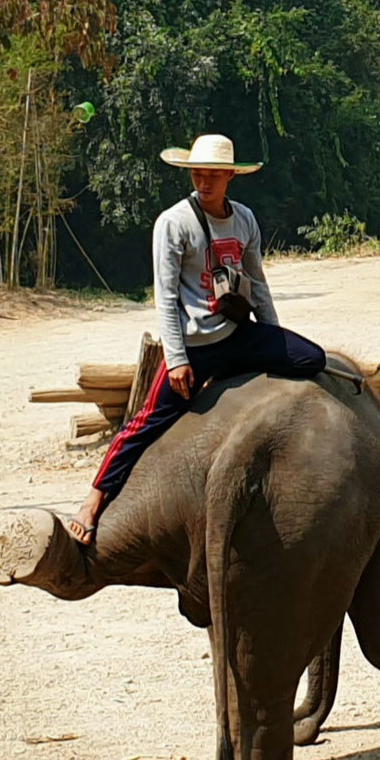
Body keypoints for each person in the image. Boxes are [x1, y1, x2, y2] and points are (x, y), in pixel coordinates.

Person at [65, 134, 326, 544]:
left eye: (212, 176)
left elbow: (257, 284)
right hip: (194, 347)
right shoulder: (173, 223)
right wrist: (178, 359)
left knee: (311, 359)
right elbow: (165, 297)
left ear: (229, 177)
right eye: (197, 174)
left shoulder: (245, 220)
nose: (204, 183)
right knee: (144, 425)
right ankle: (93, 501)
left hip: (238, 336)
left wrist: (274, 338)